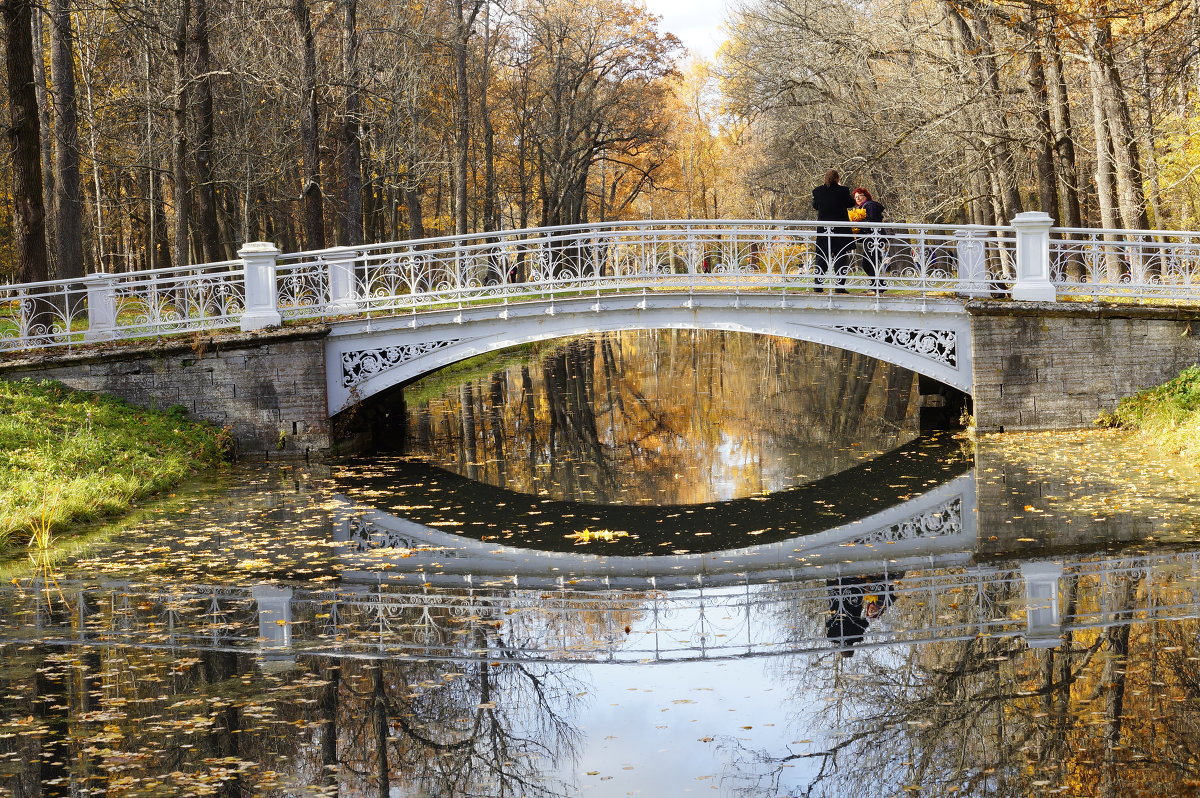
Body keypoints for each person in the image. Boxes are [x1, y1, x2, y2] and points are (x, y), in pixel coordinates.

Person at [811, 170, 855, 293]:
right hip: (841, 230)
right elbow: (851, 203)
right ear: (837, 178)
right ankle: (839, 286)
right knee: (841, 256)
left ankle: (818, 285)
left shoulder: (817, 191)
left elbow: (815, 206)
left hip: (824, 230)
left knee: (821, 257)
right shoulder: (843, 190)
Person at [852, 187, 888, 292]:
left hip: (874, 238)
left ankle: (878, 286)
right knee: (871, 262)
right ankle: (877, 286)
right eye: (856, 197)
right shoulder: (862, 207)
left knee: (868, 263)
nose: (858, 198)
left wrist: (859, 225)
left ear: (866, 196)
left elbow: (873, 221)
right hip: (870, 239)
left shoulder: (870, 205)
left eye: (860, 196)